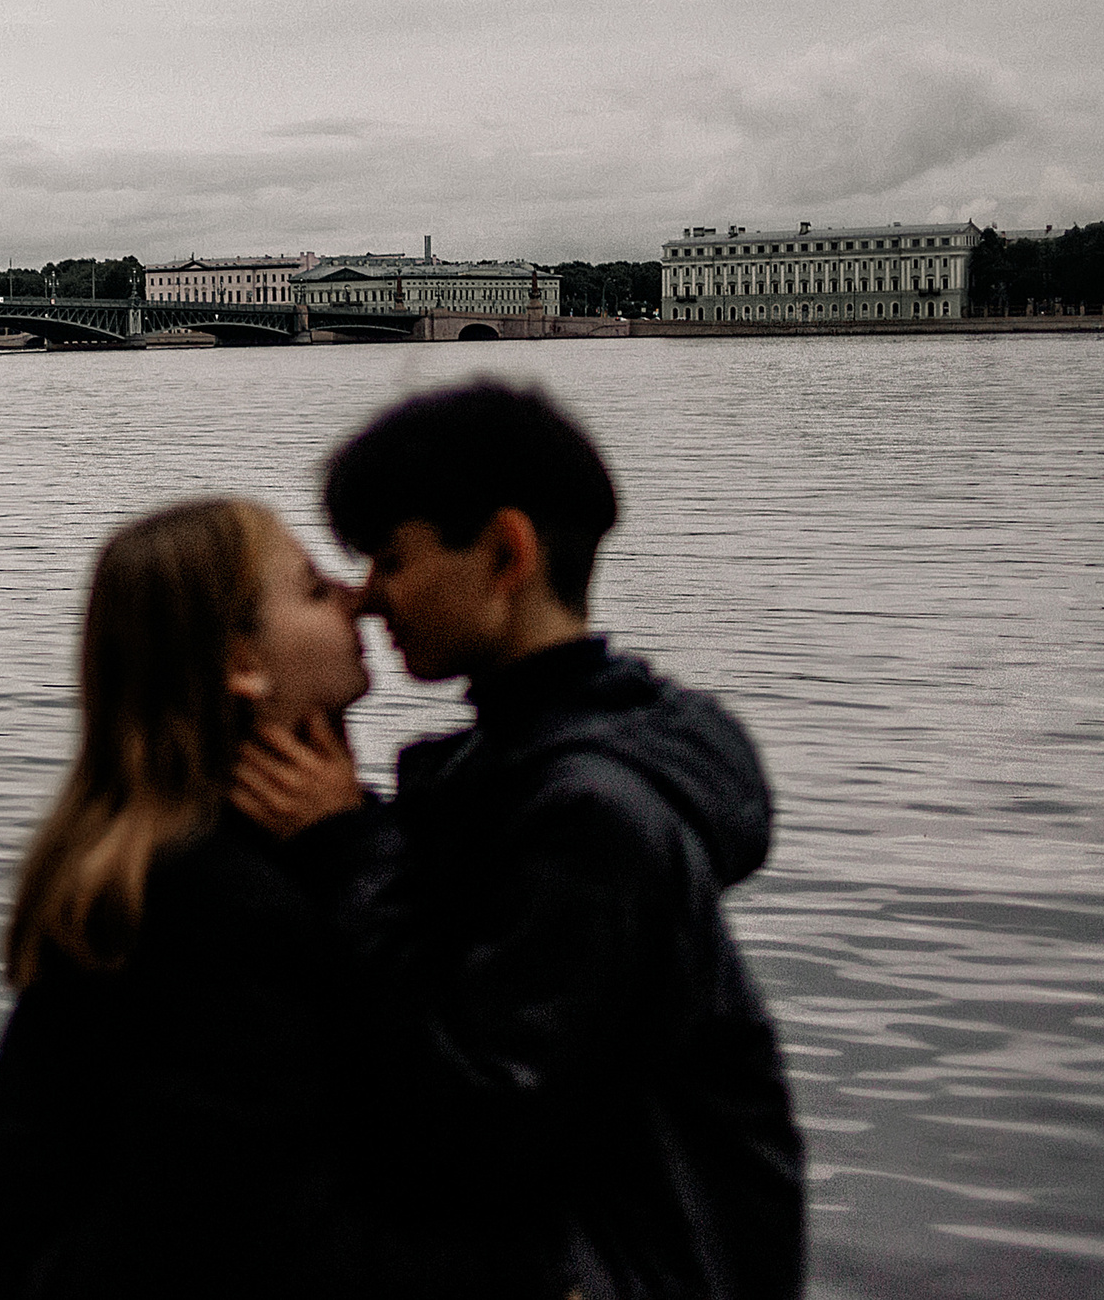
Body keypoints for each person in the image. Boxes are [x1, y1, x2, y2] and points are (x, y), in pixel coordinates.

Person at [233, 380, 807, 1300]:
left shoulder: (585, 818)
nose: (368, 599)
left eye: (391, 559)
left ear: (506, 552)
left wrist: (348, 850)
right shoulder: (601, 767)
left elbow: (478, 1108)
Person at [0, 496, 372, 1299]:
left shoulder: (154, 873)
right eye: (315, 589)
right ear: (242, 663)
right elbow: (247, 1223)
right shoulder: (222, 907)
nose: (357, 596)